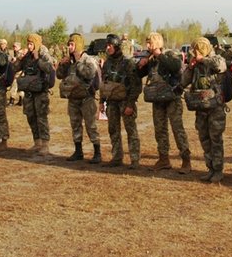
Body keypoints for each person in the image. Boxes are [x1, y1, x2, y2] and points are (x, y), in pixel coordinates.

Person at [137, 32, 191, 173]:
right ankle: (163, 159)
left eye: (149, 43)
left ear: (156, 43)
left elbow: (175, 67)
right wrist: (141, 65)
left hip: (172, 98)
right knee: (160, 129)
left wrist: (159, 55)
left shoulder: (170, 54)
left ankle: (186, 160)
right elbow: (139, 74)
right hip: (157, 99)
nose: (147, 45)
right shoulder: (151, 60)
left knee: (177, 129)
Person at [181, 37, 227, 183]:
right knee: (204, 138)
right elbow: (183, 81)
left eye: (197, 50)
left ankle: (218, 170)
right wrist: (190, 67)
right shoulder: (195, 63)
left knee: (215, 139)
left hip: (215, 107)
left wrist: (203, 60)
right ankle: (210, 168)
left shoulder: (216, 58)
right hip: (200, 107)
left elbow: (220, 66)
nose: (195, 53)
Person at [57, 33, 102, 163]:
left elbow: (89, 74)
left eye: (72, 45)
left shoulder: (88, 60)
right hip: (73, 99)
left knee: (91, 126)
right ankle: (78, 151)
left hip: (86, 99)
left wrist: (78, 62)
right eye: (69, 44)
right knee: (75, 125)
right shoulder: (69, 61)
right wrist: (62, 65)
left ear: (78, 45)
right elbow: (59, 75)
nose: (69, 47)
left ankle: (97, 153)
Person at [100, 34, 143, 168]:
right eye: (106, 45)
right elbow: (104, 83)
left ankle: (135, 159)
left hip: (125, 101)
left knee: (131, 130)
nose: (107, 48)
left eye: (110, 45)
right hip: (111, 102)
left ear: (116, 46)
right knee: (113, 130)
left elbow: (136, 85)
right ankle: (117, 157)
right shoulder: (107, 63)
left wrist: (130, 104)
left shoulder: (128, 63)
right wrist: (101, 101)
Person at [14, 33, 54, 154]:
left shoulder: (43, 54)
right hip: (29, 91)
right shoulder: (27, 55)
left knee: (41, 117)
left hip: (40, 92)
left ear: (36, 44)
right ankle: (37, 142)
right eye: (28, 44)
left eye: (31, 44)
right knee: (30, 117)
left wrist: (37, 59)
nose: (29, 46)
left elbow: (49, 68)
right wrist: (19, 58)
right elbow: (15, 68)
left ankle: (45, 144)